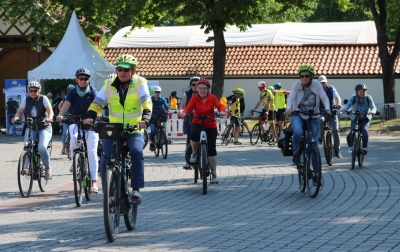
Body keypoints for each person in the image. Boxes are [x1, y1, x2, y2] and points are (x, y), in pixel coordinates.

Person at [84, 54, 152, 203]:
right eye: (120, 69)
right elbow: (98, 102)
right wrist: (90, 115)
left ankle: (135, 190)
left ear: (133, 71)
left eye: (126, 70)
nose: (122, 72)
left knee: (135, 152)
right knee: (105, 159)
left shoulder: (140, 83)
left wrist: (145, 119)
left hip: (134, 129)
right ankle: (109, 192)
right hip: (113, 130)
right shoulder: (109, 83)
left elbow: (146, 101)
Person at [56, 69, 99, 193]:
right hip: (75, 121)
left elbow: (98, 105)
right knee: (74, 137)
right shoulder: (73, 92)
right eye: (81, 79)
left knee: (91, 152)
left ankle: (94, 183)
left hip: (91, 123)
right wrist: (60, 115)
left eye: (86, 79)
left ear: (88, 80)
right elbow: (65, 105)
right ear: (76, 80)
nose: (83, 81)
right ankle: (75, 160)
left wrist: (96, 116)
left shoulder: (93, 91)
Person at [178, 78, 226, 183]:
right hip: (197, 121)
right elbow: (188, 108)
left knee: (212, 149)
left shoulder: (212, 98)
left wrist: (222, 111)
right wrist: (184, 112)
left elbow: (220, 106)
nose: (202, 90)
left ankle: (214, 173)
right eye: (200, 88)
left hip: (210, 123)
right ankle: (194, 153)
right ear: (197, 89)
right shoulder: (194, 98)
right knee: (194, 134)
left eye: (204, 88)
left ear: (208, 89)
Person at [285, 64, 331, 165]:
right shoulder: (296, 85)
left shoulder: (317, 85)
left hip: (313, 115)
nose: (304, 78)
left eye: (306, 76)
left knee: (313, 143)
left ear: (311, 76)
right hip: (298, 114)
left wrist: (327, 109)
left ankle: (316, 173)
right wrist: (288, 109)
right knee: (297, 131)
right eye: (302, 76)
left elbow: (324, 97)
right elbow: (291, 97)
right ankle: (296, 152)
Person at [12, 81, 54, 180]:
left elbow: (50, 111)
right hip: (31, 126)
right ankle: (26, 166)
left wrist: (50, 118)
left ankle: (47, 167)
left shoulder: (44, 99)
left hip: (44, 126)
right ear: (28, 91)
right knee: (27, 146)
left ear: (39, 91)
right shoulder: (25, 100)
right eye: (31, 91)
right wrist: (16, 117)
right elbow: (19, 112)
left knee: (42, 147)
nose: (33, 92)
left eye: (35, 90)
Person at [340, 83, 376, 155]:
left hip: (365, 117)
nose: (362, 93)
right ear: (357, 91)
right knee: (352, 132)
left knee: (364, 130)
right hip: (355, 117)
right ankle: (351, 147)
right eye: (361, 91)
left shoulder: (368, 98)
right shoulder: (353, 97)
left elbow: (373, 106)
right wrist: (344, 109)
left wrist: (373, 111)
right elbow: (348, 104)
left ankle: (364, 148)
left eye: (364, 91)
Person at [317, 75, 343, 158]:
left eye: (324, 83)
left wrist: (339, 103)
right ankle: (320, 138)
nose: (322, 84)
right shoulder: (316, 91)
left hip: (332, 112)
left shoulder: (331, 88)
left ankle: (337, 150)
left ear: (326, 82)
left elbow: (337, 97)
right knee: (320, 120)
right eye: (321, 83)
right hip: (321, 111)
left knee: (335, 130)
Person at [179, 76, 200, 169]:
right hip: (190, 119)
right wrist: (181, 112)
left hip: (202, 119)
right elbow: (182, 107)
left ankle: (206, 159)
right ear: (190, 85)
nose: (195, 86)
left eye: (197, 84)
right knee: (189, 141)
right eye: (193, 84)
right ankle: (188, 162)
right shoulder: (186, 94)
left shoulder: (203, 93)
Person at [149, 86, 169, 151]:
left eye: (159, 92)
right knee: (153, 130)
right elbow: (147, 107)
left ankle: (163, 139)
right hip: (153, 117)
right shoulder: (150, 99)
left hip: (160, 116)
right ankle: (152, 143)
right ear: (153, 92)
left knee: (163, 128)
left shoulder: (162, 99)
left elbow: (166, 106)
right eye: (156, 92)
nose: (157, 93)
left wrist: (169, 111)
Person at [58, 84, 75, 154]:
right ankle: (63, 148)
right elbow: (59, 105)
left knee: (74, 132)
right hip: (66, 116)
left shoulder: (75, 97)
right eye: (69, 91)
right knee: (65, 132)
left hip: (73, 116)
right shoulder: (66, 97)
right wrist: (62, 112)